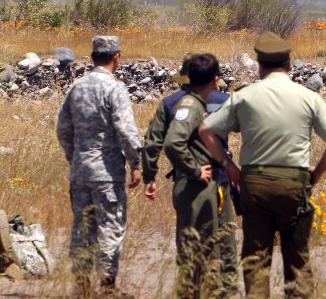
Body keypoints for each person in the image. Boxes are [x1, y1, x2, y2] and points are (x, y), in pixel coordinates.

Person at [198, 32, 326, 298]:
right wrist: (318, 172)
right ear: (290, 66)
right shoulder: (308, 97)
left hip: (254, 185)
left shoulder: (245, 96)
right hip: (294, 185)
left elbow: (206, 131)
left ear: (260, 66)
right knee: (298, 260)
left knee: (255, 260)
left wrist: (228, 165)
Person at [56, 36, 142, 295]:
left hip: (80, 171)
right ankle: (107, 286)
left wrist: (75, 157)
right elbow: (125, 130)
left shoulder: (77, 87)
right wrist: (137, 162)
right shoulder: (114, 89)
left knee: (82, 227)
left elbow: (63, 128)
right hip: (107, 173)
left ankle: (81, 284)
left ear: (93, 57)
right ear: (117, 56)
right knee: (110, 227)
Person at [163, 53, 238, 297]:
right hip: (215, 179)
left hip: (196, 181)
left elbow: (161, 140)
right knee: (221, 243)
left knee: (196, 243)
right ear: (215, 79)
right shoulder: (224, 100)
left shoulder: (172, 102)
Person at [142, 52, 228, 201]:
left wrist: (149, 176)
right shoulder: (224, 100)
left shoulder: (169, 103)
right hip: (222, 175)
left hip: (187, 179)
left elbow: (153, 142)